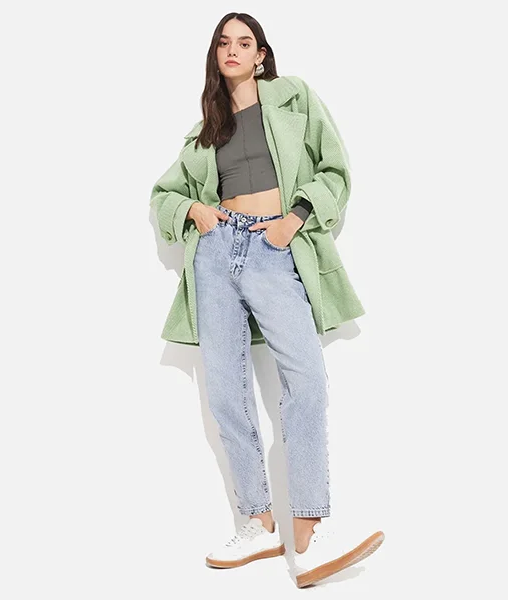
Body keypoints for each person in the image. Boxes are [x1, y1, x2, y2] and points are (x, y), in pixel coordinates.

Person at [150, 12, 384, 588]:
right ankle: (258, 524)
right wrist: (194, 210)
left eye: (244, 42)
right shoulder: (205, 130)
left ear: (260, 55)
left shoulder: (294, 97)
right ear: (216, 55)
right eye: (223, 42)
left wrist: (294, 218)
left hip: (275, 247)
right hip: (216, 254)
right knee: (225, 391)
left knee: (306, 377)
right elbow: (163, 195)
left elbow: (335, 170)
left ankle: (308, 531)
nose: (233, 50)